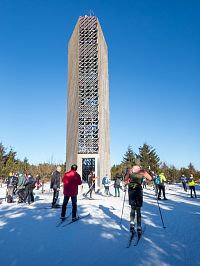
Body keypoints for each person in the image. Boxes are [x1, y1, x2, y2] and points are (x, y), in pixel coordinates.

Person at [124, 165, 152, 233]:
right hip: (138, 190)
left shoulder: (130, 170)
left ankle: (132, 224)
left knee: (132, 208)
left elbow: (125, 179)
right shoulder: (142, 171)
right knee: (138, 209)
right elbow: (150, 178)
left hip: (131, 190)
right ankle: (139, 227)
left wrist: (128, 178)